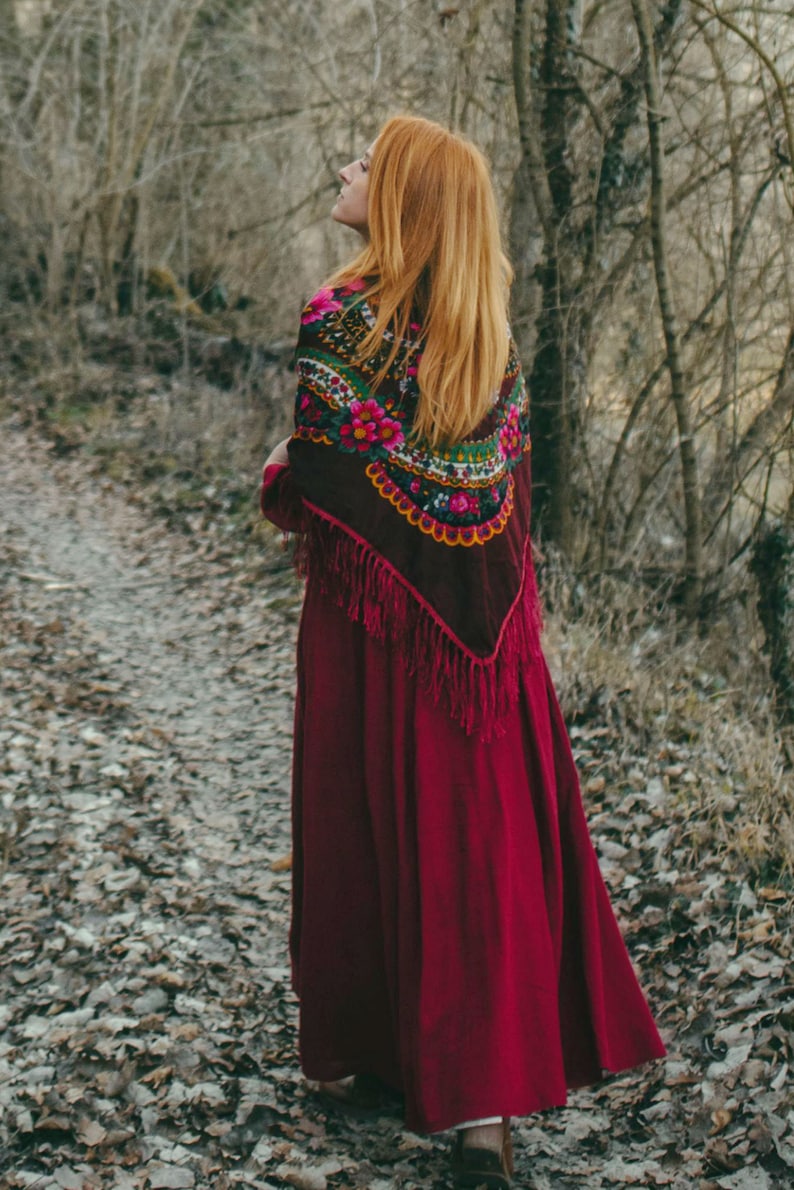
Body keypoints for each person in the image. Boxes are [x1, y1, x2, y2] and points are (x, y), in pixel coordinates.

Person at [260, 114, 666, 1189]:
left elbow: (317, 479)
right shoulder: (489, 341)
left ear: (400, 200)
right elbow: (502, 509)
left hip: (371, 635)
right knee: (468, 847)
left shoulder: (337, 322)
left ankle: (373, 1051)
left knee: (365, 823)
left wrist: (279, 475)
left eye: (364, 161)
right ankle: (478, 1117)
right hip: (487, 650)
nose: (344, 167)